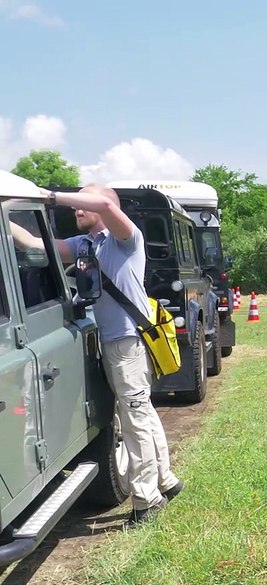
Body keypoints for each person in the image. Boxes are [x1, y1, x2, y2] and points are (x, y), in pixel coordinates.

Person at [40, 185, 183, 526]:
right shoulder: (84, 245)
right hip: (114, 342)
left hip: (126, 342)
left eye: (81, 203)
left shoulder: (126, 239)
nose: (76, 210)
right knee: (141, 411)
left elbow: (104, 201)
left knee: (132, 417)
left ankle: (147, 500)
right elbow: (37, 246)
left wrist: (50, 197)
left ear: (105, 210)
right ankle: (166, 480)